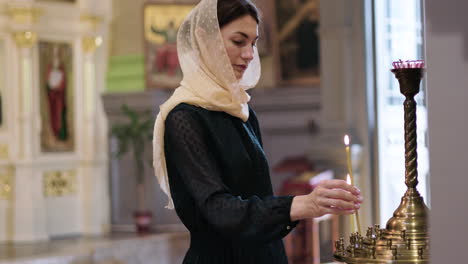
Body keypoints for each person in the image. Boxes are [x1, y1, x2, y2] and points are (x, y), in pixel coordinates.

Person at [152, 0, 363, 263]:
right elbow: (218, 211)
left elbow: (256, 197)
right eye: (239, 41)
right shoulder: (183, 118)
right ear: (204, 40)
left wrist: (305, 205)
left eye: (253, 43)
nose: (250, 54)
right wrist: (301, 205)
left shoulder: (242, 110)